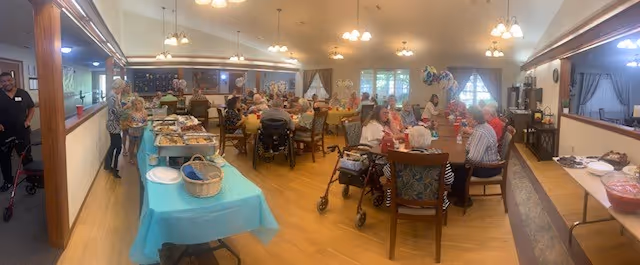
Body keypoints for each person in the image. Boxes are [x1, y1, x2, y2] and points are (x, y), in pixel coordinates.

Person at [381, 126, 454, 208]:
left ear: (409, 140)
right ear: (429, 140)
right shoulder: (440, 157)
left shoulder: (398, 157)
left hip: (402, 201)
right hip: (432, 202)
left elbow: (387, 173)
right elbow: (449, 180)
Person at [451, 106, 501, 207]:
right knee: (457, 166)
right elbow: (469, 146)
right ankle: (456, 192)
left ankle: (464, 200)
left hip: (489, 168)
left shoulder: (481, 132)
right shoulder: (481, 127)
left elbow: (473, 159)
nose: (466, 119)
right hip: (489, 162)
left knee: (458, 169)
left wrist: (465, 160)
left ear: (474, 119)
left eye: (468, 117)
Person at [0, 72, 36, 191]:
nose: (7, 83)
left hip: (22, 131)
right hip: (4, 133)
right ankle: (8, 181)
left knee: (26, 155)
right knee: (4, 158)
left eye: (9, 80)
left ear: (13, 80)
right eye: (4, 81)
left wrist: (28, 120)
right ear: (1, 83)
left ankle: (31, 179)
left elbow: (31, 107)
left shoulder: (23, 93)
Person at [104, 78, 126, 179]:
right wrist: (126, 108)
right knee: (118, 147)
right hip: (113, 126)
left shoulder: (113, 95)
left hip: (114, 125)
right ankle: (113, 168)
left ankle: (109, 166)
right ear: (117, 87)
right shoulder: (112, 97)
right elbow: (115, 113)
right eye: (121, 88)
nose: (121, 91)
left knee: (114, 146)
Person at [127, 97, 147, 164]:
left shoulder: (144, 112)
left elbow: (145, 122)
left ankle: (139, 158)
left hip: (140, 131)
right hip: (132, 131)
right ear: (133, 105)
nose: (137, 105)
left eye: (139, 104)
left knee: (139, 145)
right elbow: (128, 122)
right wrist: (131, 124)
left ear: (142, 104)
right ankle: (130, 158)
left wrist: (143, 124)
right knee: (132, 145)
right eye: (135, 104)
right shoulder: (131, 113)